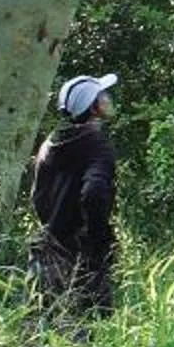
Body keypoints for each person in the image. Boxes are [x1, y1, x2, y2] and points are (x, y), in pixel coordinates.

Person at [29, 72, 118, 316]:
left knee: (45, 329)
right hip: (81, 257)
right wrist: (96, 240)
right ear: (94, 107)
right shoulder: (97, 145)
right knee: (91, 328)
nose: (107, 99)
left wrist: (54, 227)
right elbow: (94, 193)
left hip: (46, 252)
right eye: (102, 96)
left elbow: (37, 196)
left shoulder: (50, 143)